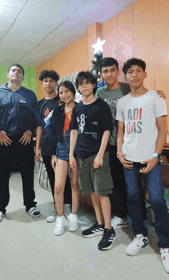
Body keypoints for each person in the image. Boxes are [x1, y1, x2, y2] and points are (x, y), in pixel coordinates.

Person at [116, 58, 169, 274]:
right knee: (133, 197)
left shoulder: (156, 98)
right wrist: (119, 152)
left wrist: (155, 157)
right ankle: (140, 235)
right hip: (129, 159)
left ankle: (165, 245)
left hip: (151, 158)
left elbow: (162, 130)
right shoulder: (122, 102)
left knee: (158, 200)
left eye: (138, 71)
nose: (134, 75)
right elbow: (121, 132)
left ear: (144, 74)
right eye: (130, 72)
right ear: (125, 77)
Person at [97, 57, 165, 229]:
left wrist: (159, 95)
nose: (109, 74)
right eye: (105, 71)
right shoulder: (100, 93)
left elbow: (143, 93)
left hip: (132, 145)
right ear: (101, 74)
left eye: (113, 70)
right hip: (112, 144)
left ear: (119, 72)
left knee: (144, 192)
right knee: (120, 185)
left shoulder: (127, 86)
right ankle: (125, 217)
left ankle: (139, 220)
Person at [0, 64, 41, 223]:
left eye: (20, 71)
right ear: (7, 74)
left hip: (25, 140)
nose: (16, 73)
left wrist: (30, 130)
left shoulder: (29, 95)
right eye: (13, 71)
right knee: (2, 176)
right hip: (4, 139)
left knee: (27, 174)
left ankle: (30, 205)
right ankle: (0, 209)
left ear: (23, 77)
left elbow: (35, 117)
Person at [69, 71, 116, 250]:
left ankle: (109, 229)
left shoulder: (101, 105)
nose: (84, 86)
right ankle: (99, 222)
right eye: (81, 84)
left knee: (102, 191)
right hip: (81, 154)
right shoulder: (77, 107)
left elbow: (107, 130)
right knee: (91, 192)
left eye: (88, 83)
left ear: (94, 85)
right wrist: (72, 154)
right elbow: (74, 131)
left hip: (98, 154)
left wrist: (100, 154)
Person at [35, 70, 72, 223]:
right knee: (52, 178)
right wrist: (37, 147)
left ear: (56, 83)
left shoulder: (62, 100)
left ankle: (68, 208)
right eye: (45, 81)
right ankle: (58, 208)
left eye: (51, 81)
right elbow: (38, 127)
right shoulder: (39, 104)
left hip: (61, 145)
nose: (48, 83)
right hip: (46, 146)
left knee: (64, 179)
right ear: (42, 84)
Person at [50, 81, 80, 235]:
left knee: (74, 183)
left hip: (77, 147)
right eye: (61, 92)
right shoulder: (58, 110)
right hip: (62, 146)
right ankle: (60, 218)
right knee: (59, 186)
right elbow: (54, 133)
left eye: (67, 91)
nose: (64, 95)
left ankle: (73, 216)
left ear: (73, 92)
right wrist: (54, 153)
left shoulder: (80, 108)